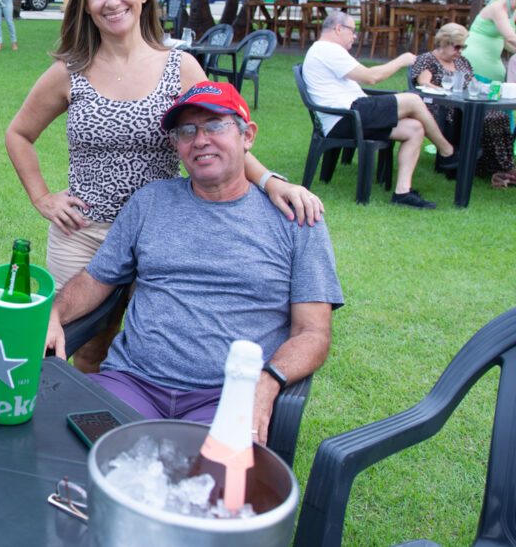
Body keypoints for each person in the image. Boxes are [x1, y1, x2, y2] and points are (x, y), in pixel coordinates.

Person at [6, 0, 324, 374]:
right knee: (84, 348)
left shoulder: (180, 67)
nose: (112, 1)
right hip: (84, 233)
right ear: (85, 3)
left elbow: (219, 138)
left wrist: (272, 182)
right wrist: (42, 198)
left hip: (165, 233)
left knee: (154, 346)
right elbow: (19, 134)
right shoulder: (69, 71)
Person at [44, 82, 343, 444]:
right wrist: (54, 313)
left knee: (201, 486)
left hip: (226, 395)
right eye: (187, 131)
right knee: (63, 444)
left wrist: (267, 381)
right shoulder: (149, 202)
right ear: (176, 145)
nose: (200, 139)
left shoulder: (296, 218)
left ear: (247, 136)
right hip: (132, 383)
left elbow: (313, 333)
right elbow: (96, 279)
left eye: (215, 125)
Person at [302, 10, 457, 210]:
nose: (355, 35)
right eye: (353, 30)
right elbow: (371, 77)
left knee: (415, 128)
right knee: (413, 100)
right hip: (348, 117)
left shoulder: (326, 50)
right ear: (338, 29)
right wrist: (401, 61)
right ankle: (448, 152)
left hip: (352, 114)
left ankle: (403, 193)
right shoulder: (327, 50)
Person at [412, 22, 516, 186]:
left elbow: (474, 83)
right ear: (444, 43)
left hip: (467, 105)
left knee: (500, 116)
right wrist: (447, 92)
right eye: (457, 47)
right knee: (488, 119)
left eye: (463, 47)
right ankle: (501, 167)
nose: (460, 51)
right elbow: (424, 83)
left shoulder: (462, 61)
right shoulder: (427, 59)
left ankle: (499, 165)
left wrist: (486, 89)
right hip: (443, 107)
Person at [463, 0, 516, 82]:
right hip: (475, 55)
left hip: (493, 59)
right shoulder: (498, 8)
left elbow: (506, 40)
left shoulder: (513, 10)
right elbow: (510, 37)